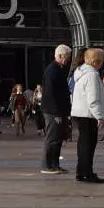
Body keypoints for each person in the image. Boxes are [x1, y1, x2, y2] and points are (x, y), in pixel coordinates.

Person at [71, 46, 104, 183]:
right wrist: (100, 116)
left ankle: (81, 171)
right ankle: (87, 172)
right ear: (97, 62)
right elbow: (93, 99)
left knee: (83, 144)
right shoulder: (92, 75)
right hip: (88, 114)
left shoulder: (81, 73)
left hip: (81, 113)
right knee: (88, 145)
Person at [40, 45, 73, 175]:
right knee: (52, 137)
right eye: (66, 57)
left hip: (57, 110)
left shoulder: (56, 69)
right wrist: (56, 112)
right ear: (60, 56)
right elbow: (50, 93)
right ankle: (48, 165)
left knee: (57, 138)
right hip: (53, 111)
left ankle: (55, 164)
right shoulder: (52, 70)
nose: (68, 60)